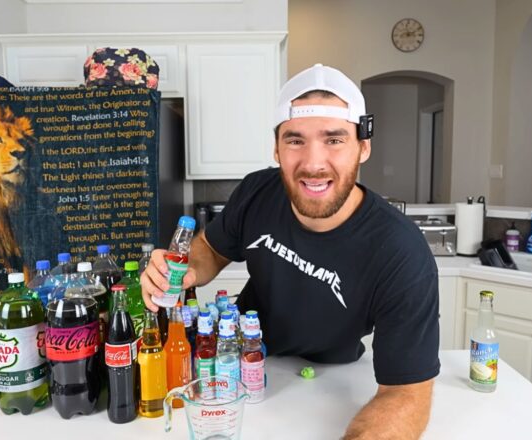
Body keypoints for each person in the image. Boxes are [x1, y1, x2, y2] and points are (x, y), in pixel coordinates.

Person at [141, 63, 440, 439]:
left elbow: (406, 394)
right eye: (296, 140)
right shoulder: (257, 192)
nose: (313, 164)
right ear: (277, 148)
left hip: (333, 377)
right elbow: (212, 249)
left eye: (334, 140)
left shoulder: (401, 252)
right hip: (245, 364)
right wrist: (188, 269)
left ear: (363, 147)